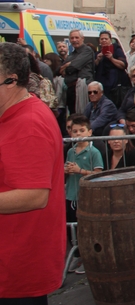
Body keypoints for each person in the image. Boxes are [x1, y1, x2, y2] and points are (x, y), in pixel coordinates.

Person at [0, 42, 66, 303]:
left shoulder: (28, 124)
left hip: (17, 270)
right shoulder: (16, 113)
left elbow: (34, 195)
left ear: (11, 80)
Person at [64, 115, 103, 275]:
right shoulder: (70, 151)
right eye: (75, 131)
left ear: (90, 131)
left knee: (85, 229)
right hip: (71, 195)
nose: (78, 134)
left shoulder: (94, 152)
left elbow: (98, 174)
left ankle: (86, 258)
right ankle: (77, 254)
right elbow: (66, 170)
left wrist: (79, 171)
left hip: (86, 196)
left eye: (82, 130)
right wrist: (66, 170)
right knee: (72, 227)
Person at [60, 29, 95, 115]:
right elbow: (60, 70)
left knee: (82, 115)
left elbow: (72, 68)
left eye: (76, 37)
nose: (74, 40)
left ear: (82, 38)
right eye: (72, 38)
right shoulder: (72, 54)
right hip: (71, 89)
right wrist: (67, 65)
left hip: (82, 88)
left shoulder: (87, 50)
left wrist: (68, 65)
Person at [94, 30, 129, 106]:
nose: (104, 40)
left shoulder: (116, 49)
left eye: (106, 39)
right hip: (103, 85)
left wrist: (111, 58)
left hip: (116, 85)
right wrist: (97, 60)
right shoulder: (97, 53)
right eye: (102, 39)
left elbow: (123, 65)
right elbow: (93, 68)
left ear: (110, 40)